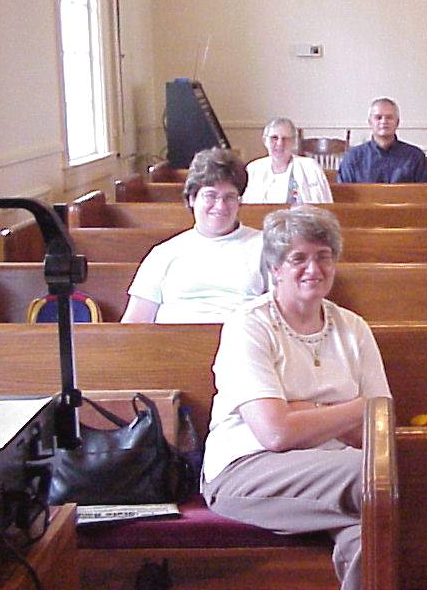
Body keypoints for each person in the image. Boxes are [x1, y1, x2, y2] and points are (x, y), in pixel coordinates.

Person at [201, 206, 390, 590]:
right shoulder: (249, 325)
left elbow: (380, 423)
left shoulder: (353, 328)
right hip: (246, 468)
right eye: (298, 258)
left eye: (323, 257)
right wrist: (353, 409)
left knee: (369, 532)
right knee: (378, 476)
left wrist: (306, 412)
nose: (313, 269)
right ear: (275, 268)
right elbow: (275, 434)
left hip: (332, 469)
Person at [121, 148, 266, 323]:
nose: (220, 206)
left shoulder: (265, 246)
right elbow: (135, 322)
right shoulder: (164, 253)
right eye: (210, 195)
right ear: (192, 199)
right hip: (172, 339)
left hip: (242, 337)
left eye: (229, 197)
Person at [337, 98, 427, 183]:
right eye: (378, 117)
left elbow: (424, 193)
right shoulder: (352, 157)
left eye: (389, 117)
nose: (384, 121)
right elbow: (343, 192)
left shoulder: (415, 156)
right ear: (370, 122)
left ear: (397, 122)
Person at [243, 117, 333, 203]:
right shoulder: (253, 169)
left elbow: (325, 206)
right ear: (264, 141)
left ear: (293, 142)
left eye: (285, 139)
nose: (279, 143)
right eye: (274, 138)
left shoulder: (311, 168)